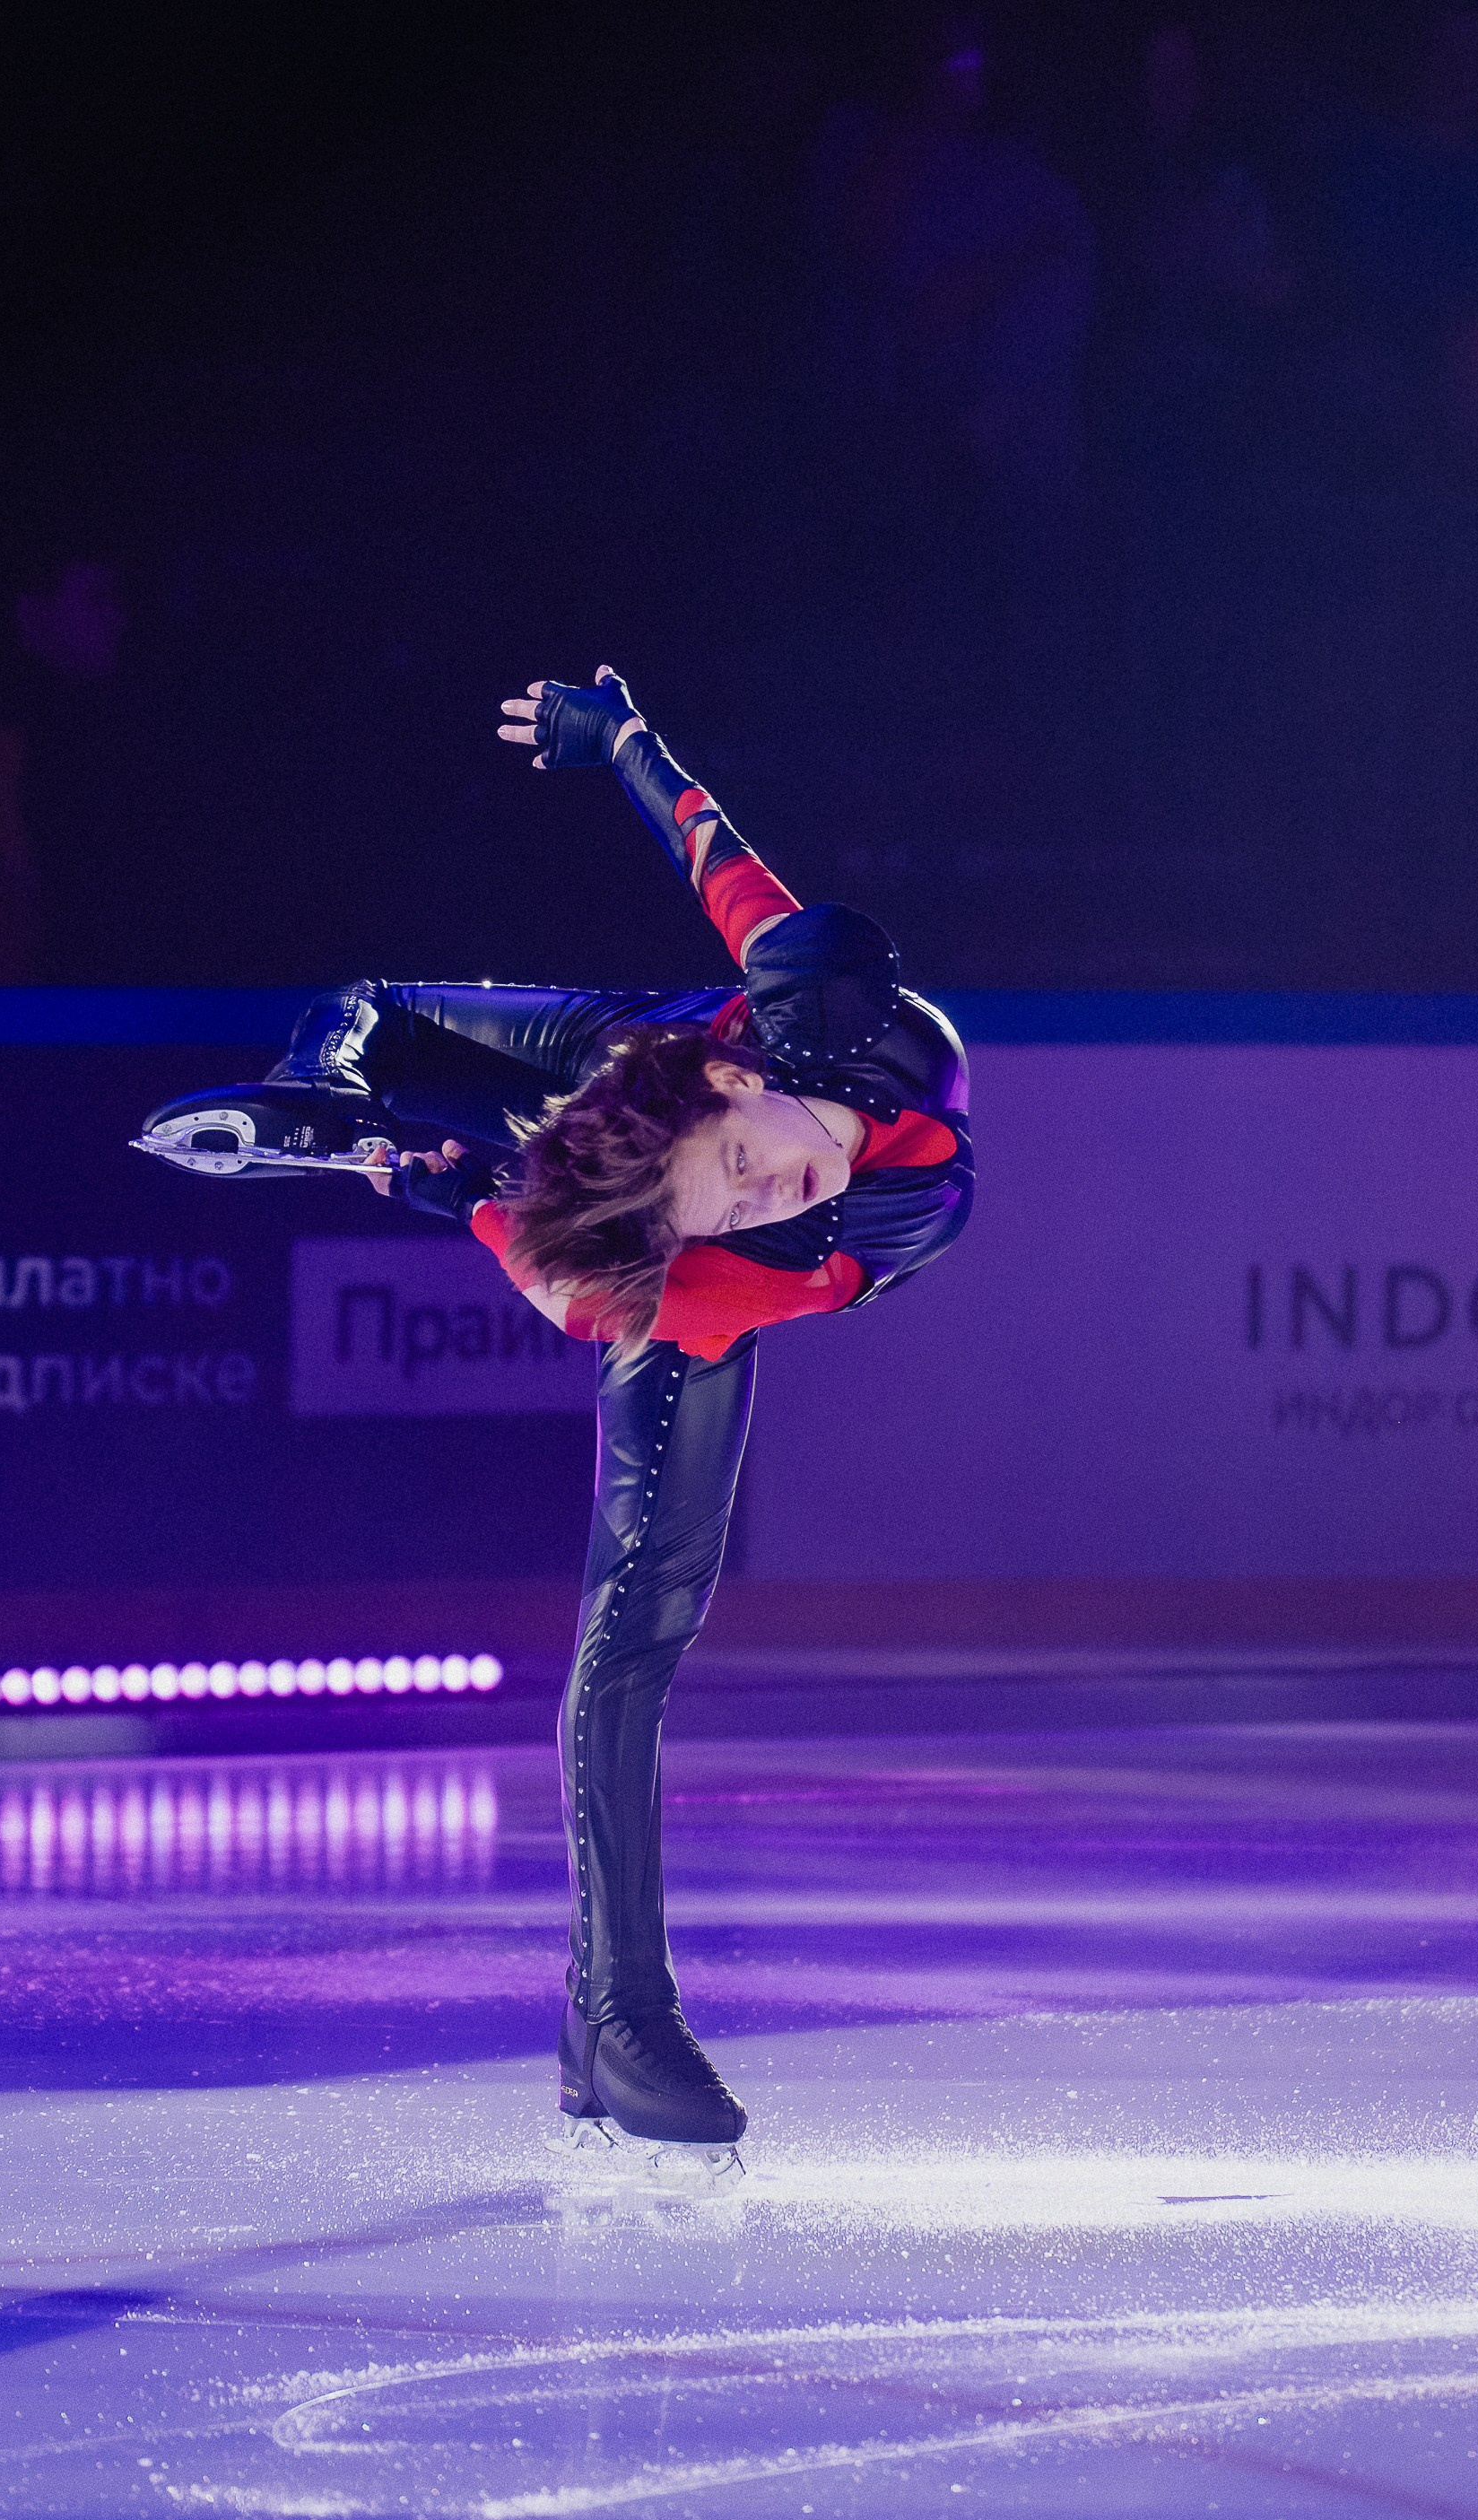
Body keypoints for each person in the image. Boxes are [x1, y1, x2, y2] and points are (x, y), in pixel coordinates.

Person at [136, 670, 975, 2166]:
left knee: (499, 1120)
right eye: (737, 1205)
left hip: (637, 1050)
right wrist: (451, 1177)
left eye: (744, 1168)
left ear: (747, 1077)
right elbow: (595, 1291)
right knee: (631, 1634)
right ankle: (620, 2015)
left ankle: (386, 1151)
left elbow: (725, 869)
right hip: (654, 1231)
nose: (771, 1192)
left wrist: (624, 742)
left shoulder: (812, 1010)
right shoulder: (731, 1257)